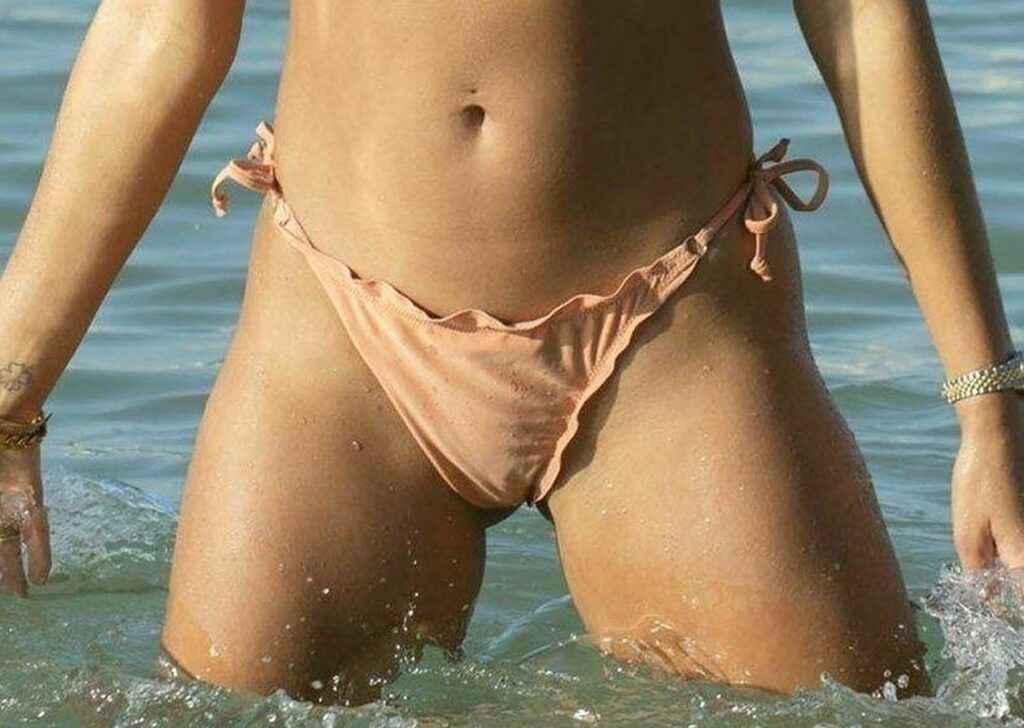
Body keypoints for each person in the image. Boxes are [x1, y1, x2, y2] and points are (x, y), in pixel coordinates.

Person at [1, 0, 1021, 707]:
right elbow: (162, 25)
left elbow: (862, 17)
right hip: (337, 333)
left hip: (672, 329)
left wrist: (987, 403)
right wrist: (10, 398)